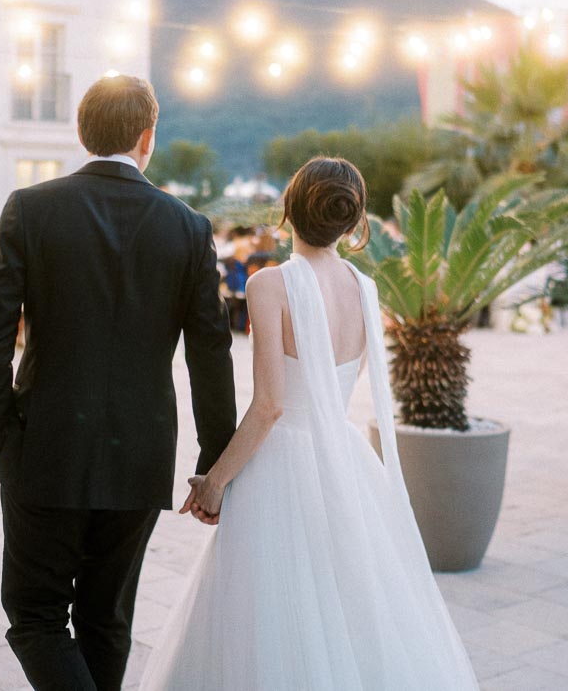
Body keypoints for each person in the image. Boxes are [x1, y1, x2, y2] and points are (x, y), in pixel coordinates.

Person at [139, 157, 480, 691]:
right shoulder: (366, 288)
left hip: (281, 464)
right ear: (353, 221)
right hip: (343, 457)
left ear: (289, 212)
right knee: (347, 605)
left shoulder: (270, 285)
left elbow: (271, 405)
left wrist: (216, 480)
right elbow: (335, 385)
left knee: (271, 610)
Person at [0, 74, 236, 691]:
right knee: (106, 620)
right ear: (148, 137)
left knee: (34, 616)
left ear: (82, 134)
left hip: (45, 446)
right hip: (141, 453)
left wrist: (3, 434)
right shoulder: (189, 227)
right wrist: (214, 461)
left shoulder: (29, 209)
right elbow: (210, 351)